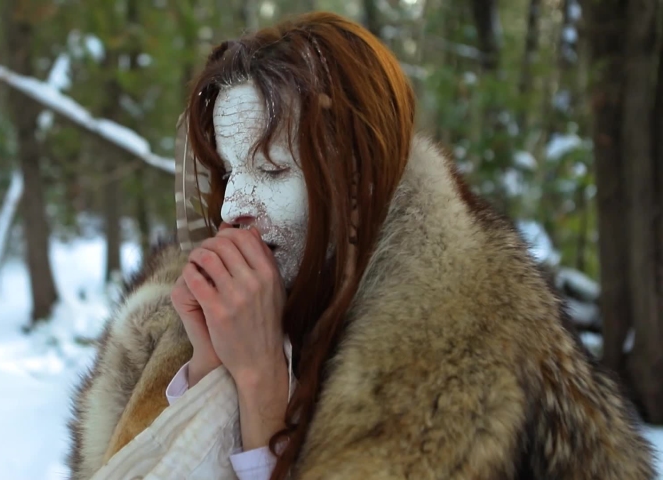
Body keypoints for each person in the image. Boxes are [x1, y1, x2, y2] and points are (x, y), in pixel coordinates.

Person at [67, 11, 656, 480]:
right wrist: (208, 368)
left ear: (359, 184)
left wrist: (264, 394)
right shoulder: (169, 325)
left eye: (271, 171)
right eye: (227, 172)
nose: (232, 208)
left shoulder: (472, 369)